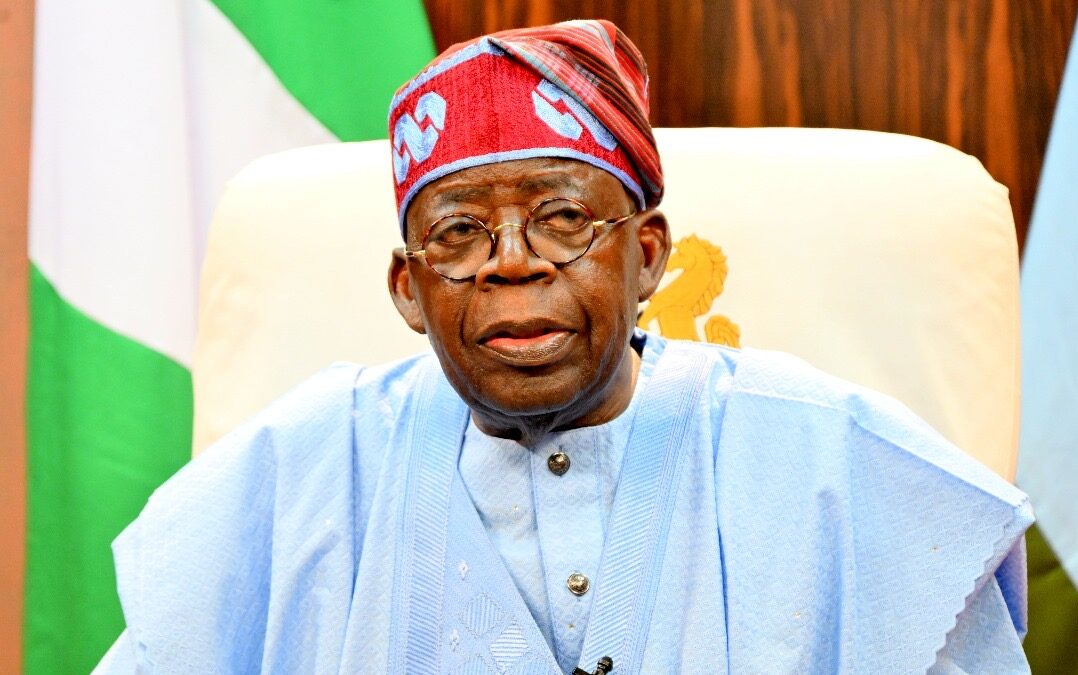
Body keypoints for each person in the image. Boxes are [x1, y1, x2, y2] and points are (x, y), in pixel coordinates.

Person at [95, 20, 1032, 674]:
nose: (512, 262)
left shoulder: (836, 465)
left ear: (648, 255)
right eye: (459, 232)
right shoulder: (292, 480)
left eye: (562, 218)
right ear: (408, 288)